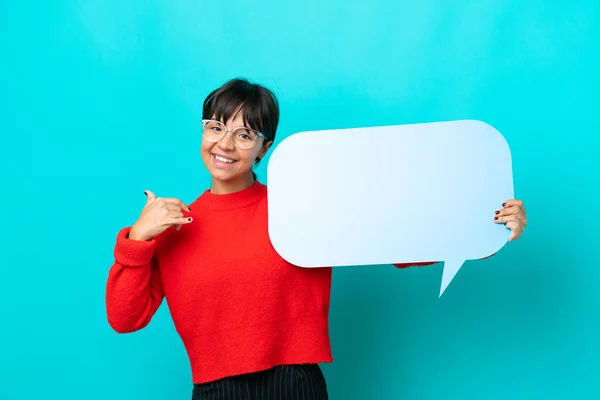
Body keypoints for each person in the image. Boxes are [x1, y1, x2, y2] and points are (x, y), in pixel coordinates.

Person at [104, 78, 528, 400]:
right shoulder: (173, 226)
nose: (225, 144)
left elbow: (399, 240)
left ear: (263, 149)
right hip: (215, 389)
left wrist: (486, 225)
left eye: (244, 134)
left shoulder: (302, 204)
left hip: (295, 381)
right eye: (215, 127)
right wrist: (138, 239)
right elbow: (126, 318)